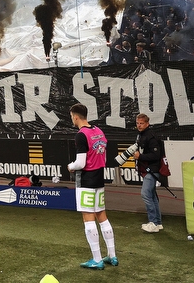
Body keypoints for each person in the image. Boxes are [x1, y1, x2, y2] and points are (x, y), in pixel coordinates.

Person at [67, 103, 117, 269]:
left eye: (72, 117)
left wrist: (71, 166)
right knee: (102, 216)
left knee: (88, 217)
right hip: (99, 178)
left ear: (75, 116)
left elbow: (81, 163)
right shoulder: (98, 131)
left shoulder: (81, 135)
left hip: (86, 179)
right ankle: (112, 255)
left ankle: (97, 259)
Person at [134, 113, 163, 232]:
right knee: (152, 196)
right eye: (137, 123)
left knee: (145, 194)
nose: (139, 125)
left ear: (147, 123)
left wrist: (140, 156)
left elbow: (156, 155)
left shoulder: (151, 136)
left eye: (141, 123)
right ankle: (158, 223)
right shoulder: (142, 135)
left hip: (152, 170)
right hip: (149, 169)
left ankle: (153, 223)